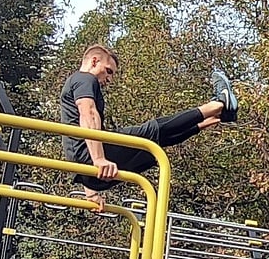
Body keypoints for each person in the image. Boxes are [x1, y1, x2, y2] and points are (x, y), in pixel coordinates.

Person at [60, 44, 239, 209]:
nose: (109, 79)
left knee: (155, 141)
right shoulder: (84, 79)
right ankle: (218, 105)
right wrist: (98, 159)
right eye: (108, 71)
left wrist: (90, 192)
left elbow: (76, 135)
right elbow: (89, 114)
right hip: (88, 158)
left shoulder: (76, 84)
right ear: (93, 61)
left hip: (85, 170)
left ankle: (213, 118)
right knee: (152, 129)